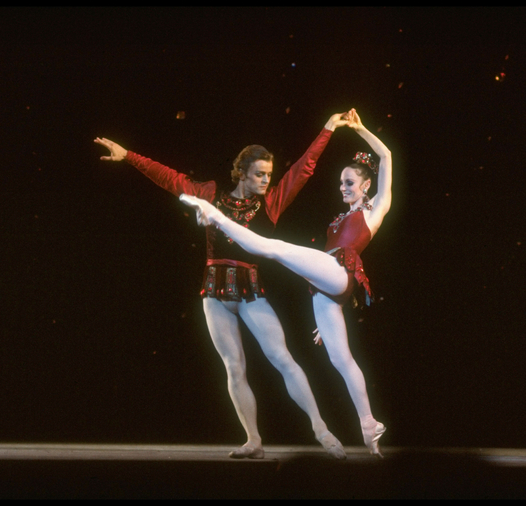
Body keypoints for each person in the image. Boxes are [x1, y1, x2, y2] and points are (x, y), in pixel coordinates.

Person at [94, 111, 352, 460]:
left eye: (269, 175)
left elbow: (303, 169)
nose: (265, 181)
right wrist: (129, 157)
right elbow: (170, 178)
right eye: (259, 175)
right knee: (234, 366)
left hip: (251, 292)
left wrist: (327, 129)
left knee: (282, 358)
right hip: (214, 293)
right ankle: (253, 441)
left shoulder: (271, 203)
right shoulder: (210, 193)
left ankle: (321, 429)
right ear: (242, 173)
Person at [179, 109, 392, 457]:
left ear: (366, 185)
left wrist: (360, 128)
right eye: (341, 183)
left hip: (337, 274)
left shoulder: (376, 208)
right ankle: (369, 426)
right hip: (325, 286)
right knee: (341, 359)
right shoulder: (340, 218)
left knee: (273, 248)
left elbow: (385, 157)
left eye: (349, 182)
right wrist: (331, 308)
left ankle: (213, 216)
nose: (343, 187)